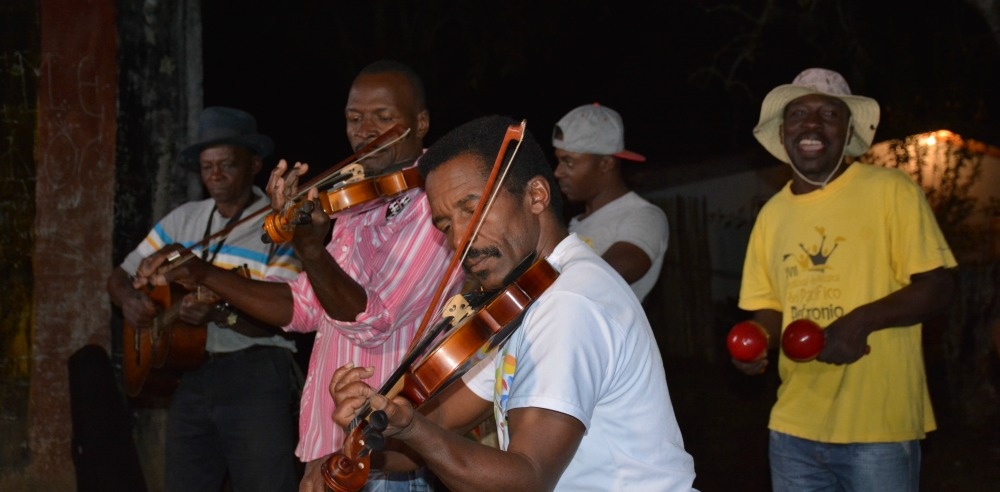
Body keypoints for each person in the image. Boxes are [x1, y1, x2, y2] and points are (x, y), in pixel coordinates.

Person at [133, 60, 461, 491]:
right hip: (331, 446)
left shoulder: (431, 205)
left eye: (384, 117)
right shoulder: (357, 202)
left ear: (420, 123)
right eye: (354, 118)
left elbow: (374, 321)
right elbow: (305, 307)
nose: (366, 130)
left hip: (388, 451)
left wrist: (309, 249)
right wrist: (203, 271)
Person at [329, 115, 697, 491]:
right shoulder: (522, 300)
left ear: (536, 196)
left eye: (471, 208)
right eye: (444, 225)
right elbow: (436, 425)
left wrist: (412, 427)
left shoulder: (569, 302)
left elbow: (527, 479)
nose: (460, 239)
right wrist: (367, 436)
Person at [734, 67, 957, 491]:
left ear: (847, 130)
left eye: (829, 114)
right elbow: (770, 307)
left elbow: (939, 286)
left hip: (879, 426)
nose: (812, 124)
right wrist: (756, 343)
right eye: (798, 113)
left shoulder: (890, 190)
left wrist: (859, 322)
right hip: (792, 426)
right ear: (783, 134)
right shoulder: (771, 216)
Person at [107, 106, 304, 492]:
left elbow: (287, 311)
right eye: (206, 167)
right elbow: (119, 276)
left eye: (227, 165)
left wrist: (223, 313)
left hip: (257, 374)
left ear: (253, 164)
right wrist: (130, 302)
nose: (215, 176)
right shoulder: (184, 219)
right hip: (192, 376)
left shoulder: (278, 224)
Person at [552, 102, 668, 302]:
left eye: (568, 162)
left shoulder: (644, 216)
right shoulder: (575, 222)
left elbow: (601, 277)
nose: (558, 172)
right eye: (559, 161)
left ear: (605, 163)